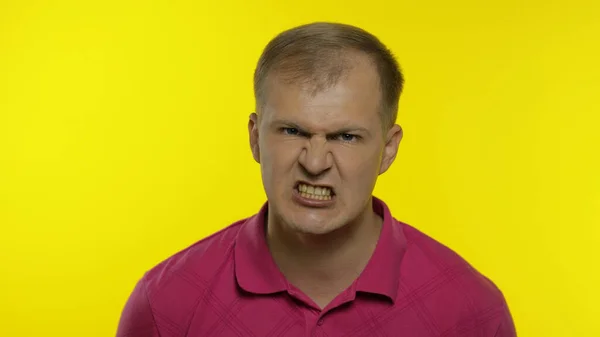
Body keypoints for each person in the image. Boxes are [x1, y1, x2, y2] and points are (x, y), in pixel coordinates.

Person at [116, 22, 516, 336]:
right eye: (293, 131)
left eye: (346, 136)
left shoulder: (471, 310)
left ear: (389, 149)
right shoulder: (166, 303)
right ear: (255, 139)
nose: (316, 161)